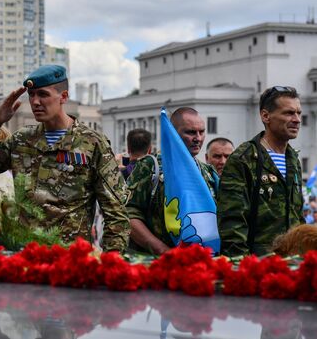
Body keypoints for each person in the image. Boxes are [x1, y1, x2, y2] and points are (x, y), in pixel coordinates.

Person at [0, 65, 130, 251]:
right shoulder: (22, 140)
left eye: (43, 94)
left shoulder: (92, 143)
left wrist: (112, 260)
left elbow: (116, 211)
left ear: (63, 97)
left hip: (71, 260)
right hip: (26, 255)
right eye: (31, 95)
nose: (35, 101)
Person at [218, 86, 304, 256]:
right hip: (258, 263)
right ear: (266, 116)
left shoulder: (292, 158)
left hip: (291, 261)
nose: (297, 119)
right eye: (288, 113)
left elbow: (297, 214)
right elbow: (232, 221)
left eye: (298, 113)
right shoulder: (244, 158)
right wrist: (241, 264)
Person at [126, 107, 219, 254]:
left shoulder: (207, 173)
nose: (198, 138)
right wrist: (161, 249)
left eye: (201, 132)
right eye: (190, 132)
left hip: (202, 262)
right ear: (173, 133)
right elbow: (128, 213)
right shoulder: (150, 166)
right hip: (157, 263)